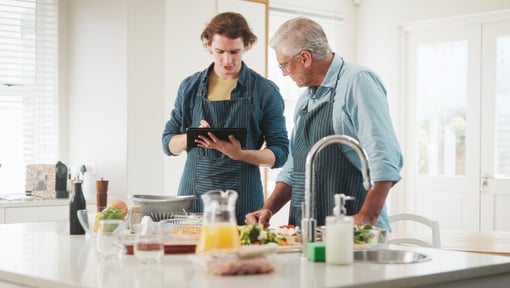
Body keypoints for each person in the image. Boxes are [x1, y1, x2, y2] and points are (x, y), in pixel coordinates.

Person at [245, 17, 403, 231]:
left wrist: (366, 216)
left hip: (352, 230)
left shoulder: (357, 81)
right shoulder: (305, 100)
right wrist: (268, 209)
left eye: (284, 64)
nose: (283, 72)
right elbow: (295, 165)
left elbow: (384, 156)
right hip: (307, 230)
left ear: (305, 58)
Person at [162, 12, 289, 225]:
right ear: (209, 44)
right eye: (220, 51)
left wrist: (241, 154)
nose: (227, 60)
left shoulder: (265, 91)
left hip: (244, 201)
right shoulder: (190, 88)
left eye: (234, 52)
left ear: (246, 46)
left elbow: (280, 153)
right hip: (194, 199)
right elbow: (168, 144)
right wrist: (193, 136)